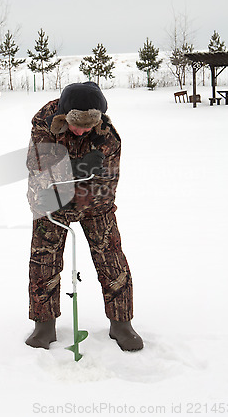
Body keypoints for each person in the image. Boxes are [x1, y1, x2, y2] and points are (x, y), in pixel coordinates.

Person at [25, 82, 143, 351]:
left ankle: (121, 323)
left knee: (111, 255)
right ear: (64, 116)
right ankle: (44, 325)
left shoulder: (108, 137)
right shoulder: (44, 121)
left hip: (94, 203)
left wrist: (78, 190)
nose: (82, 131)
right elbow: (39, 164)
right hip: (48, 198)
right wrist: (76, 169)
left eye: (88, 126)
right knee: (44, 258)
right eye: (76, 124)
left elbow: (106, 184)